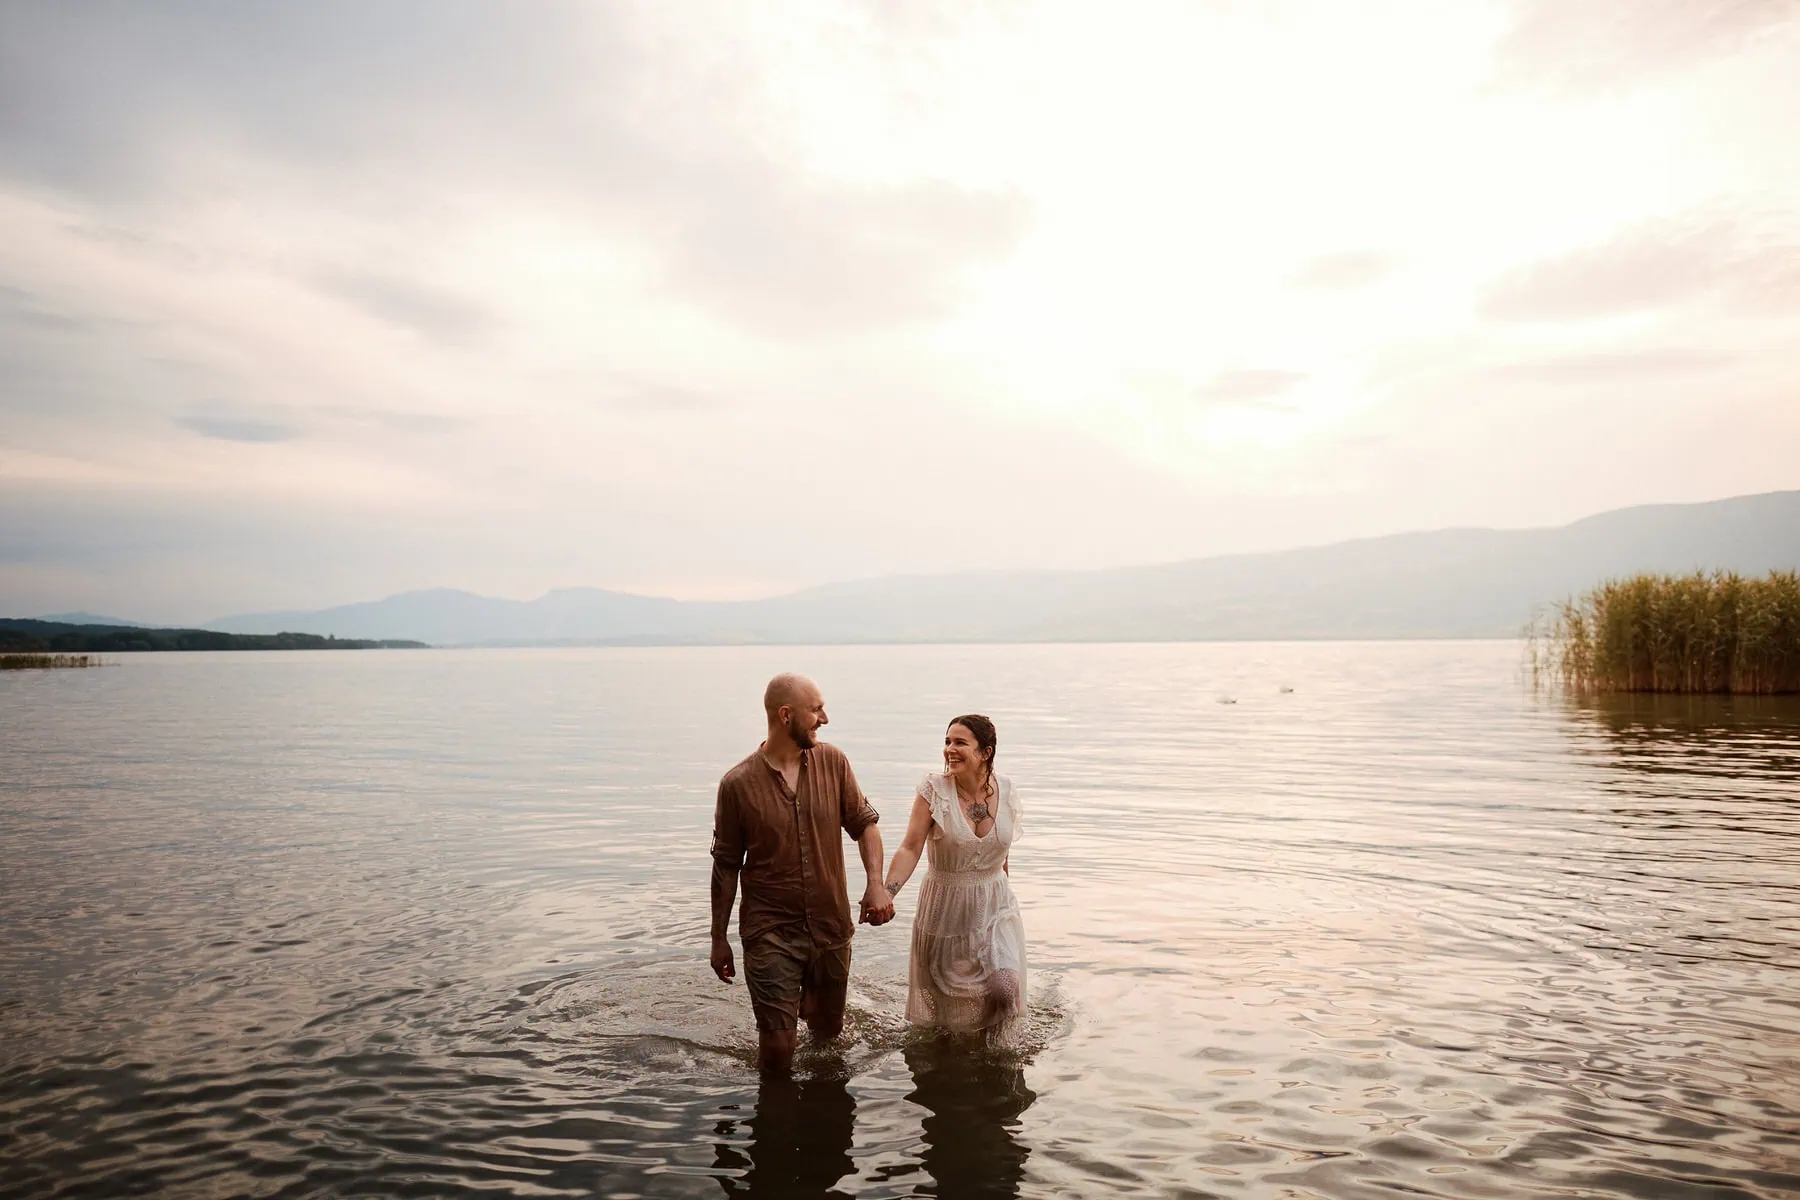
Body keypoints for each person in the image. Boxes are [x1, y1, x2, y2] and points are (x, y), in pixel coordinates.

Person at [709, 673, 894, 1073]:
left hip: (830, 927)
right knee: (777, 1048)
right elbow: (725, 864)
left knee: (828, 1037)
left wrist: (876, 884)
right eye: (816, 710)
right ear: (785, 715)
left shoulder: (834, 762)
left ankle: (821, 1124)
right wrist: (718, 938)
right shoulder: (737, 785)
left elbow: (865, 825)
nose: (824, 718)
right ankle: (773, 1125)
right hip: (770, 931)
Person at [883, 713, 1027, 1042]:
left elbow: (1002, 853)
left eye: (960, 742)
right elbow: (910, 847)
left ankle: (1000, 1057)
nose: (950, 749)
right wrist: (887, 893)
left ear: (985, 752)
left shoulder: (1007, 790)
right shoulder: (934, 791)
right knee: (954, 1012)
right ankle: (961, 1062)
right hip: (946, 907)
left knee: (1006, 988)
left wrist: (1003, 894)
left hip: (995, 905)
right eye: (947, 742)